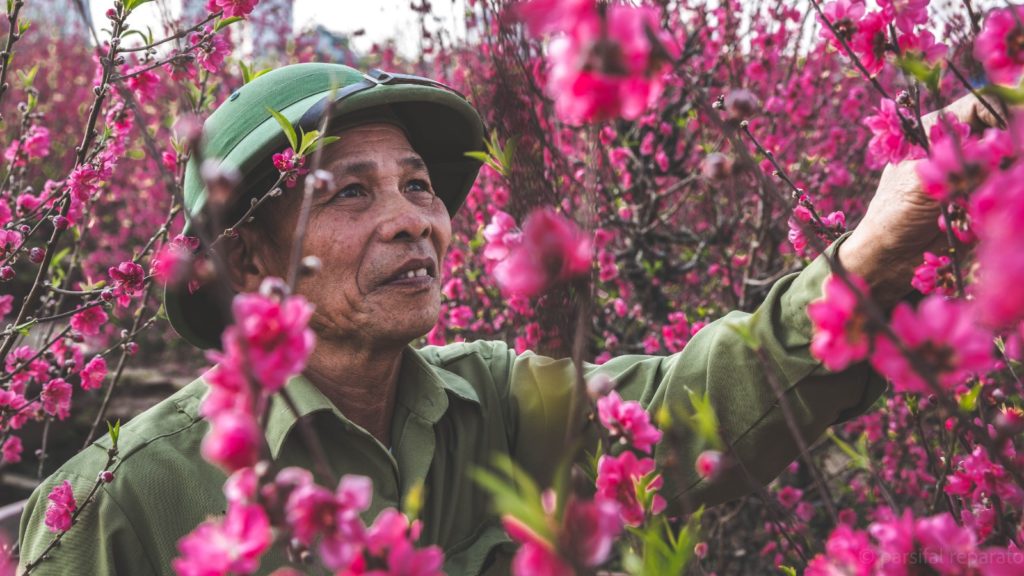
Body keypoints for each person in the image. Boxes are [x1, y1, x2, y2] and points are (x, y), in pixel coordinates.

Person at [17, 63, 1003, 574]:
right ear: (246, 261)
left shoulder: (488, 400)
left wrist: (875, 247)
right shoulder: (125, 506)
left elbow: (686, 409)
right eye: (352, 193)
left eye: (418, 184)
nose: (415, 219)